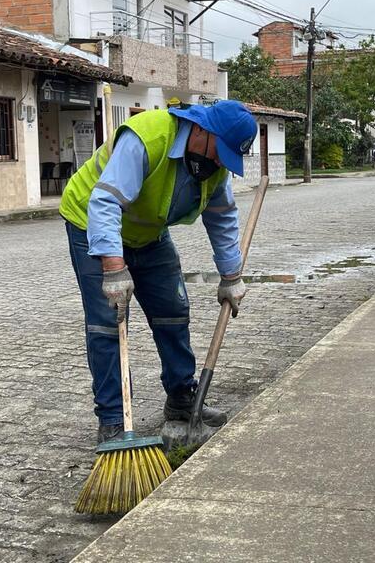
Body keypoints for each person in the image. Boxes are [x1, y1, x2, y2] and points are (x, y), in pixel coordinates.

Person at [59, 100, 257, 444]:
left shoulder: (215, 166)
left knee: (173, 310)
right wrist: (113, 268)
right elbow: (104, 203)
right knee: (108, 322)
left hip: (148, 234)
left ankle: (182, 398)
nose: (218, 162)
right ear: (201, 129)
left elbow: (222, 216)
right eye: (219, 152)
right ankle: (113, 420)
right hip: (92, 222)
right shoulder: (147, 137)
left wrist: (231, 277)